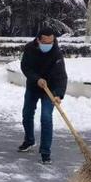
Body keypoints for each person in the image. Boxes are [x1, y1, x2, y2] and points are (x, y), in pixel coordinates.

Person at [18, 26, 67, 165]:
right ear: (38, 40)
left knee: (46, 117)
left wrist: (58, 94)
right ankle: (29, 140)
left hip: (50, 90)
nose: (48, 45)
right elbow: (25, 67)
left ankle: (45, 152)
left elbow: (61, 75)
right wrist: (36, 79)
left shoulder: (56, 52)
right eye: (45, 43)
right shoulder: (29, 49)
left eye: (51, 42)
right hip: (34, 86)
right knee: (27, 113)